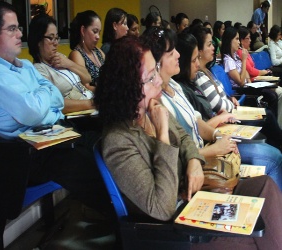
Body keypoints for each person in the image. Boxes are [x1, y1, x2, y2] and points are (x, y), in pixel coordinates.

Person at [94, 34, 282, 250]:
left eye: (155, 70)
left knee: (264, 186)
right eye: (149, 77)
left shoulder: (151, 108)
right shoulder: (118, 141)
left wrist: (193, 160)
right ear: (127, 87)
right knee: (258, 235)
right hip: (179, 227)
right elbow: (162, 207)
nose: (157, 80)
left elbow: (184, 137)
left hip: (197, 196)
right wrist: (162, 133)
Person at [0, 1, 111, 219]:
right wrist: (44, 95)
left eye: (19, 28)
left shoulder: (24, 66)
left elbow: (53, 95)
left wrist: (40, 94)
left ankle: (120, 214)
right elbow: (35, 111)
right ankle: (123, 223)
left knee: (107, 146)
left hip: (55, 136)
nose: (19, 34)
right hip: (28, 156)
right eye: (12, 29)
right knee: (95, 171)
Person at [141, 27, 282, 189]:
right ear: (157, 63)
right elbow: (174, 153)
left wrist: (216, 135)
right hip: (200, 162)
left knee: (273, 154)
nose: (178, 55)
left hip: (207, 148)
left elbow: (196, 122)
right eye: (171, 52)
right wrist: (214, 146)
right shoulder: (156, 103)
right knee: (273, 159)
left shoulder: (174, 85)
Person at [191, 25, 282, 149]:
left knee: (269, 111)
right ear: (199, 50)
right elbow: (238, 86)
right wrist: (231, 103)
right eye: (209, 45)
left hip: (232, 109)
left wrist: (229, 100)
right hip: (230, 115)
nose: (213, 47)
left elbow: (223, 94)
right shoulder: (200, 76)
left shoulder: (207, 71)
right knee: (269, 113)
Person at [28, 14, 94, 114]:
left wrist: (69, 64)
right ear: (38, 41)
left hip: (91, 104)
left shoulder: (61, 58)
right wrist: (90, 104)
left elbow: (87, 78)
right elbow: (53, 102)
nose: (56, 43)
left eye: (57, 38)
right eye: (51, 38)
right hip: (79, 116)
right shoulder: (39, 69)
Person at [68, 10, 105, 89]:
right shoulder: (77, 54)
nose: (98, 36)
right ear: (83, 30)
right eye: (95, 32)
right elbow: (85, 86)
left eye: (99, 32)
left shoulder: (97, 51)